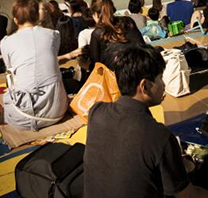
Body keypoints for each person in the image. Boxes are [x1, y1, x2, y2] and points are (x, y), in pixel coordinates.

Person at [84, 44, 200, 198]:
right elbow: (187, 195)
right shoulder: (159, 136)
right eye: (160, 78)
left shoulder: (96, 112)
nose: (163, 84)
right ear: (144, 86)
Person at [0, 0, 69, 131]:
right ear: (37, 16)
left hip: (24, 115)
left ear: (15, 20)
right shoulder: (53, 35)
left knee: (11, 88)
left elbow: (11, 71)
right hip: (58, 109)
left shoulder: (6, 42)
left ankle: (3, 117)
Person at [89, 0, 143, 68]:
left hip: (118, 75)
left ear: (95, 14)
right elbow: (142, 44)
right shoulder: (128, 21)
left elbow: (96, 66)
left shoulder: (97, 33)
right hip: (141, 67)